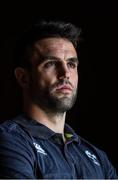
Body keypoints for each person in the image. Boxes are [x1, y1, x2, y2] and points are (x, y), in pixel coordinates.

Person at [0, 20, 117, 179]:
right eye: (51, 63)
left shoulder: (97, 157)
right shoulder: (9, 141)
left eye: (71, 64)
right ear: (23, 78)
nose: (65, 73)